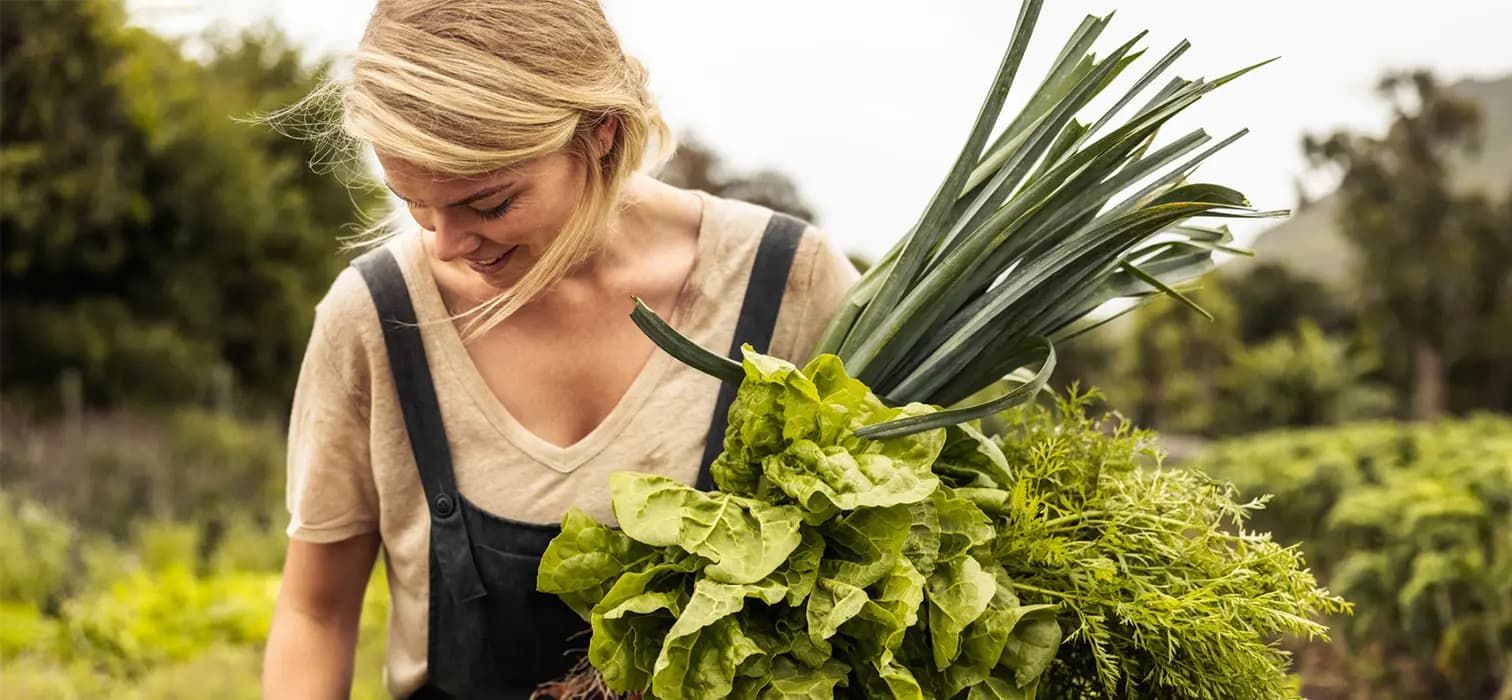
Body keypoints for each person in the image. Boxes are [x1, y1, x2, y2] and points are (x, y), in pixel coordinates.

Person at [260, 1, 860, 698]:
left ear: (600, 133)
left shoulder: (788, 286)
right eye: (416, 203)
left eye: (488, 205)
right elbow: (316, 611)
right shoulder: (375, 316)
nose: (446, 245)